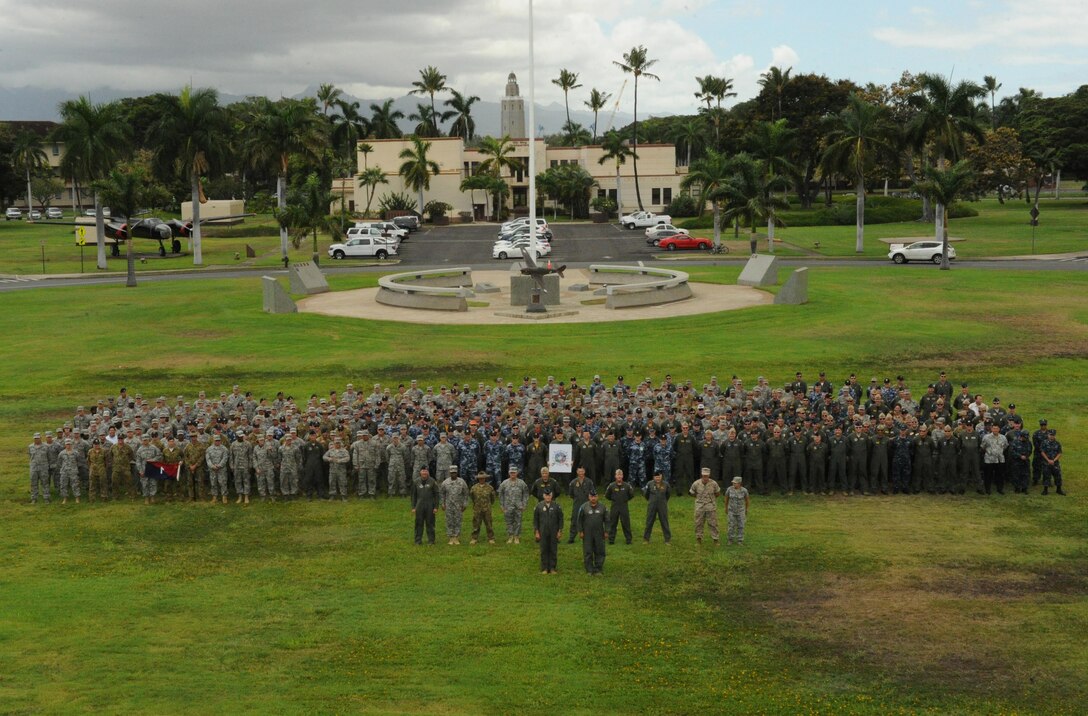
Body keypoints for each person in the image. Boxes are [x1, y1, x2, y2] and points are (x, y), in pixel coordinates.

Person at [576, 491, 609, 575]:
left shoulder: (603, 507)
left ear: (597, 497)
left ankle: (598, 569)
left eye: (595, 496)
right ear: (589, 497)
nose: (593, 498)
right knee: (588, 551)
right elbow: (579, 520)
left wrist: (606, 531)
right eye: (591, 496)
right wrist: (580, 531)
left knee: (600, 550)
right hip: (587, 533)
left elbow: (607, 520)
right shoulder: (583, 507)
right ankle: (589, 569)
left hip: (599, 533)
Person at [533, 488, 564, 574]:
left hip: (554, 531)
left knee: (553, 549)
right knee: (544, 549)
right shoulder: (538, 506)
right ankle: (545, 568)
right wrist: (536, 531)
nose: (548, 497)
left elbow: (561, 519)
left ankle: (553, 568)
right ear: (543, 496)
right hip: (542, 531)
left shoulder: (557, 506)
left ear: (552, 496)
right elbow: (535, 520)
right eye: (546, 495)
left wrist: (559, 531)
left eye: (549, 495)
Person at [497, 467, 530, 544]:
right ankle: (510, 536)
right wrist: (502, 506)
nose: (513, 474)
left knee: (518, 522)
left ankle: (516, 537)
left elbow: (526, 494)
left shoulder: (521, 483)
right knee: (509, 522)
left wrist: (524, 504)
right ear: (509, 473)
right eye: (511, 473)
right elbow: (500, 494)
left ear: (517, 473)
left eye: (514, 472)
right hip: (507, 506)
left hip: (518, 506)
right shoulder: (504, 483)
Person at [689, 467, 721, 545]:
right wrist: (699, 499)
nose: (705, 477)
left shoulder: (714, 483)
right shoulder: (696, 483)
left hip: (710, 506)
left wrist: (710, 500)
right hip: (700, 506)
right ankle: (698, 540)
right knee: (698, 523)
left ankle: (715, 540)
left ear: (709, 475)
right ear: (701, 475)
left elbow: (717, 493)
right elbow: (692, 492)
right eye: (704, 475)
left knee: (713, 523)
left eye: (706, 475)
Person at [604, 469, 635, 545]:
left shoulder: (627, 486)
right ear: (615, 476)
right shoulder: (611, 486)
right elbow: (607, 495)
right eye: (618, 475)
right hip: (614, 506)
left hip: (624, 506)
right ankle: (611, 539)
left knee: (626, 523)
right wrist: (614, 500)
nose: (619, 476)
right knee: (613, 523)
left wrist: (625, 500)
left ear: (622, 476)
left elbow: (631, 495)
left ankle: (628, 539)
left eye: (620, 475)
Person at [440, 466, 469, 545]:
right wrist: (442, 503)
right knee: (449, 520)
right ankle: (451, 537)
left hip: (458, 505)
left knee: (458, 520)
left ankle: (456, 537)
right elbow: (442, 494)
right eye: (452, 473)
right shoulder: (445, 482)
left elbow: (466, 493)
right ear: (450, 473)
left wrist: (465, 504)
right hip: (448, 505)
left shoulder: (462, 482)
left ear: (457, 473)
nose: (453, 474)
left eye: (455, 473)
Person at [410, 467, 439, 545]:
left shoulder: (432, 481)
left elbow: (436, 495)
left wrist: (436, 507)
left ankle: (431, 540)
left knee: (430, 523)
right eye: (423, 471)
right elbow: (413, 496)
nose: (424, 473)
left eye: (426, 471)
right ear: (420, 472)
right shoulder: (416, 482)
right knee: (419, 523)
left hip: (430, 505)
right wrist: (413, 507)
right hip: (419, 506)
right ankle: (418, 540)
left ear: (428, 472)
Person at [642, 471, 672, 544]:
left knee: (664, 522)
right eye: (656, 477)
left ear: (661, 477)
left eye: (659, 477)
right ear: (653, 477)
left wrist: (663, 501)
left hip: (662, 506)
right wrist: (651, 500)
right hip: (652, 505)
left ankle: (667, 539)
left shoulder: (666, 484)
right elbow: (646, 494)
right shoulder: (649, 484)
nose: (657, 478)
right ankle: (646, 539)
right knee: (649, 521)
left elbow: (668, 494)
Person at [468, 471, 497, 545]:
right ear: (478, 479)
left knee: (489, 524)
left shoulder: (490, 488)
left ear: (485, 479)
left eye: (483, 478)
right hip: (477, 509)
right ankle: (474, 538)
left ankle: (491, 538)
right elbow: (472, 497)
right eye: (480, 478)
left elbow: (493, 498)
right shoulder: (474, 488)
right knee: (476, 524)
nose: (481, 480)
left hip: (487, 509)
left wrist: (488, 505)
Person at [567, 466, 594, 544]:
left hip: (587, 504)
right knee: (574, 520)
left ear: (584, 472)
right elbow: (571, 494)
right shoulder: (573, 482)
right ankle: (572, 537)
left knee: (588, 520)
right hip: (577, 504)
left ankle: (589, 536)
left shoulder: (589, 482)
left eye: (582, 471)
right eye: (579, 471)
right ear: (577, 472)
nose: (581, 473)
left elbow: (592, 493)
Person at [980, 423, 1009, 495]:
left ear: (999, 429)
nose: (995, 430)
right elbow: (983, 447)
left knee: (1000, 475)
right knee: (988, 476)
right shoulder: (986, 437)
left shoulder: (1003, 437)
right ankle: (988, 489)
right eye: (994, 428)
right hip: (989, 459)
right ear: (991, 429)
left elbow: (1005, 446)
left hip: (1000, 459)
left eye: (997, 428)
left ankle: (1000, 489)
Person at [323, 437, 351, 501]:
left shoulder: (344, 451)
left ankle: (343, 496)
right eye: (336, 443)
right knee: (332, 482)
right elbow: (324, 457)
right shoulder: (330, 450)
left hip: (341, 470)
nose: (337, 444)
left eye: (338, 443)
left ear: (340, 443)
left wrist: (340, 460)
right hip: (332, 470)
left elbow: (348, 458)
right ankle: (332, 495)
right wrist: (329, 459)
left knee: (342, 483)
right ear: (334, 443)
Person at [725, 476, 750, 545]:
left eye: (735, 483)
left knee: (741, 525)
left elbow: (747, 500)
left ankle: (740, 540)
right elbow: (726, 499)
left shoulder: (744, 490)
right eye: (733, 483)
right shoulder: (729, 489)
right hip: (731, 510)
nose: (734, 484)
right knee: (731, 525)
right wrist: (726, 508)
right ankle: (730, 539)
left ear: (739, 483)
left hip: (741, 510)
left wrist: (747, 509)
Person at [205, 434, 230, 503]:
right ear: (213, 441)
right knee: (213, 483)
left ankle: (224, 497)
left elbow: (225, 458)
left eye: (218, 440)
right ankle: (214, 497)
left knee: (223, 483)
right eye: (216, 441)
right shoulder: (209, 449)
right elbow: (208, 459)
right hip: (212, 469)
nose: (217, 442)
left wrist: (219, 465)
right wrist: (212, 466)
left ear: (220, 441)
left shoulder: (224, 449)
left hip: (221, 469)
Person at [28, 432, 51, 504]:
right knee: (33, 483)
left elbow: (49, 457)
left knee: (45, 483)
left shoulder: (46, 446)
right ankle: (34, 498)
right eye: (35, 438)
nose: (36, 440)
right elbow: (30, 457)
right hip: (34, 468)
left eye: (38, 438)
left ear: (40, 438)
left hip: (43, 468)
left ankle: (46, 498)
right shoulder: (30, 447)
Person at [1040, 429, 1065, 495]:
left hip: (1055, 463)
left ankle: (1059, 490)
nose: (1051, 436)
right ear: (1048, 435)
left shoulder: (1057, 443)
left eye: (1053, 435)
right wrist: (1048, 460)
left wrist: (1054, 460)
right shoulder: (1044, 443)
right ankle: (1045, 490)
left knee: (1058, 476)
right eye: (1050, 435)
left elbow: (1059, 453)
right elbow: (1042, 452)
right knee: (1046, 476)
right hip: (1046, 462)